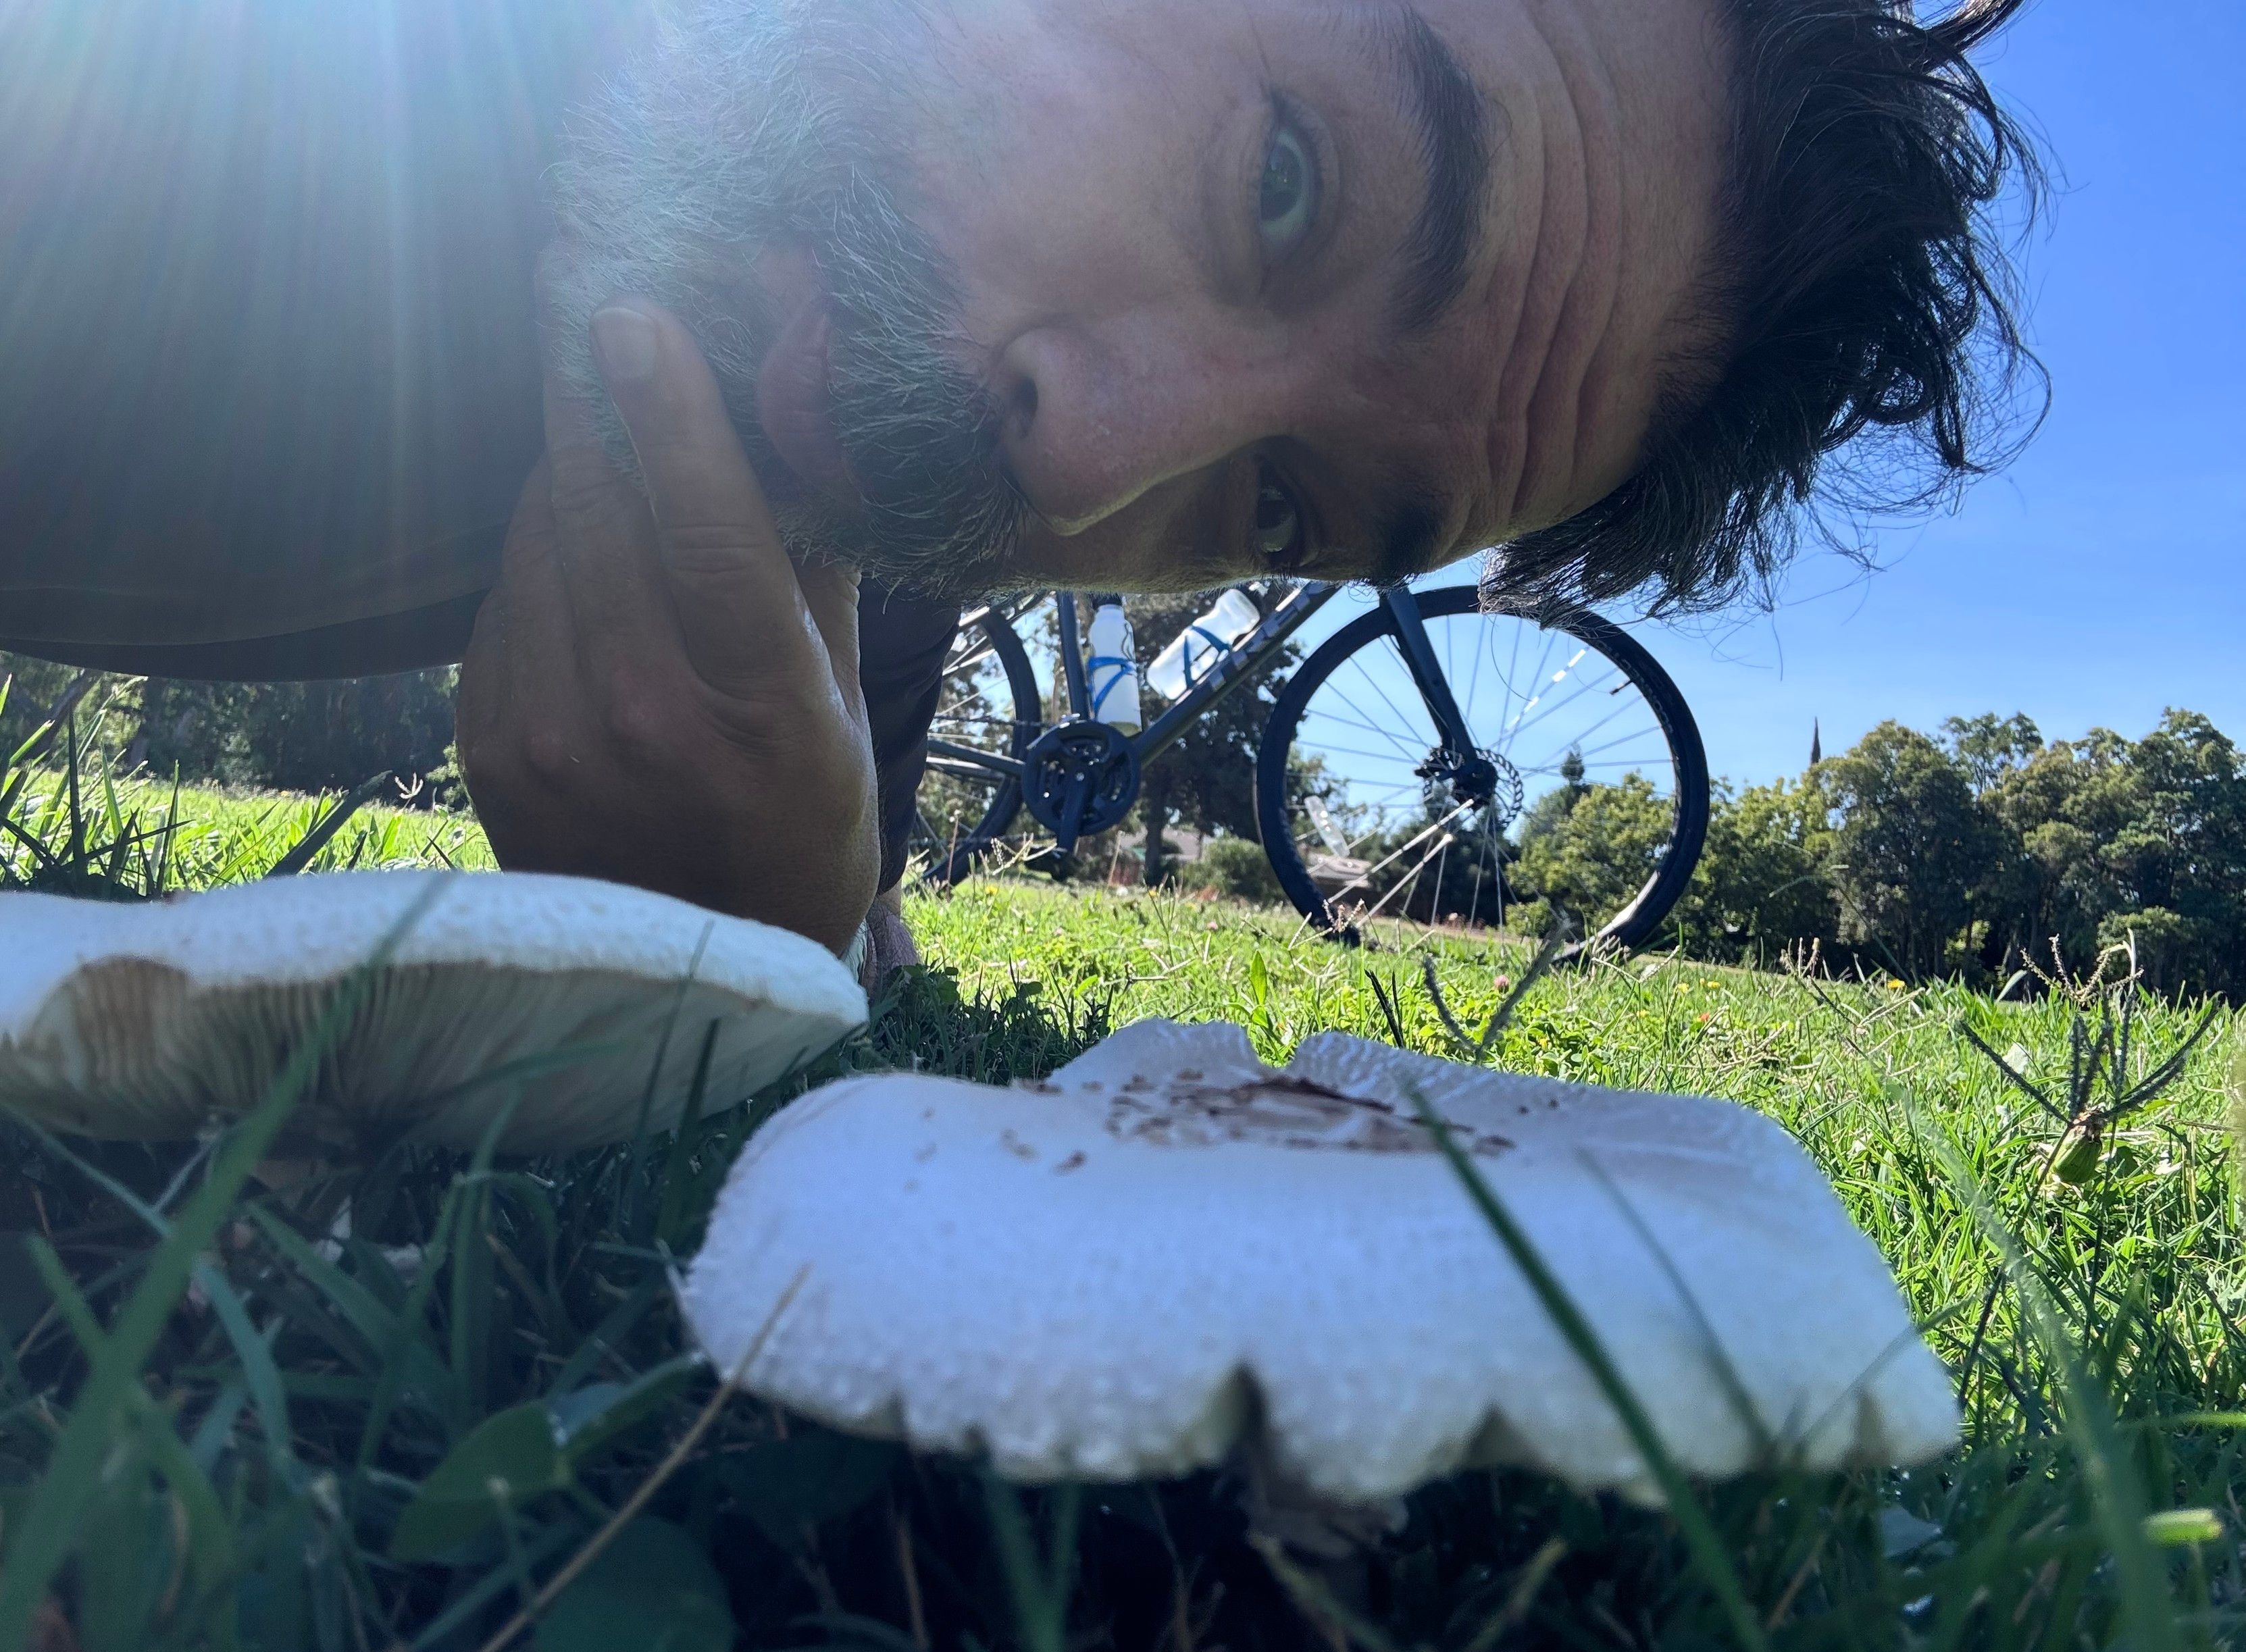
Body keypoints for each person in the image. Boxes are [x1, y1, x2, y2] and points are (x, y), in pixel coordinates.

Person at [0, 0, 2040, 973]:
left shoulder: (844, 572)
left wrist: (745, 952)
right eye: (1282, 178)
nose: (1090, 462)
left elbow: (839, 955)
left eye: (1278, 511)